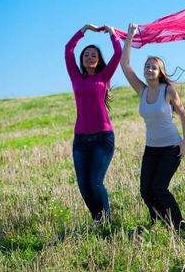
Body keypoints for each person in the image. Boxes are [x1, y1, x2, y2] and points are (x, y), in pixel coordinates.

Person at [120, 23, 185, 231]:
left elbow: (184, 116)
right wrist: (130, 36)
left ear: (160, 72)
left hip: (171, 147)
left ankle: (180, 227)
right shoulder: (141, 90)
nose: (149, 69)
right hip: (151, 149)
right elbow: (125, 66)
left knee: (159, 188)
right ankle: (159, 222)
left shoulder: (168, 90)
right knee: (145, 190)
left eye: (154, 67)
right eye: (147, 66)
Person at [64, 24, 122, 222]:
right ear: (82, 59)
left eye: (94, 55)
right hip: (81, 139)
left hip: (103, 138)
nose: (90, 57)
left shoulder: (104, 77)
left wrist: (113, 34)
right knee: (83, 183)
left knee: (95, 181)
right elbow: (68, 49)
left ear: (98, 61)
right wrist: (84, 30)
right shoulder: (75, 77)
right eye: (87, 54)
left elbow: (118, 52)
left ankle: (106, 218)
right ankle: (97, 217)